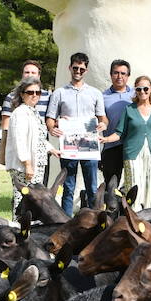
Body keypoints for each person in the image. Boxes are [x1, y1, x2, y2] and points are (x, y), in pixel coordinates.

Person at [46, 52, 107, 215]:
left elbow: (104, 119)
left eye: (81, 69)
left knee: (92, 187)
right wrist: (53, 127)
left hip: (89, 147)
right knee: (68, 187)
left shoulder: (95, 93)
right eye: (75, 68)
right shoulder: (59, 93)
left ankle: (94, 219)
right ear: (70, 68)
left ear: (86, 70)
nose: (78, 71)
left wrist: (102, 124)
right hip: (69, 148)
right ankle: (67, 220)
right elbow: (50, 119)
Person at [100, 74, 151, 209]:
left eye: (145, 89)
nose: (142, 92)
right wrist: (105, 139)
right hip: (132, 155)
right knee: (134, 189)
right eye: (139, 89)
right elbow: (119, 133)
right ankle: (133, 219)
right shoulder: (129, 109)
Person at [4, 81, 52, 217]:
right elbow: (19, 141)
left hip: (37, 165)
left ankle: (30, 229)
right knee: (22, 201)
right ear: (22, 94)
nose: (34, 95)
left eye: (38, 92)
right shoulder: (20, 113)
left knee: (34, 201)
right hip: (25, 167)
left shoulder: (34, 112)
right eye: (30, 92)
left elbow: (38, 139)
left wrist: (52, 149)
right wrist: (27, 164)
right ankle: (18, 230)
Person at [0, 58, 53, 167]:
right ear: (22, 75)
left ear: (39, 76)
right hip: (19, 149)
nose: (30, 75)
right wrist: (2, 154)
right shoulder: (11, 97)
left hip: (41, 148)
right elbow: (6, 127)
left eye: (33, 72)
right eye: (27, 72)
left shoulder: (48, 97)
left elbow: (51, 121)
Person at [99, 58, 134, 191]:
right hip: (111, 146)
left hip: (131, 145)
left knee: (132, 184)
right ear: (111, 75)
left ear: (128, 76)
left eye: (123, 73)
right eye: (116, 73)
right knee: (111, 185)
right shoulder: (102, 96)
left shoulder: (136, 94)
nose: (119, 76)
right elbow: (101, 118)